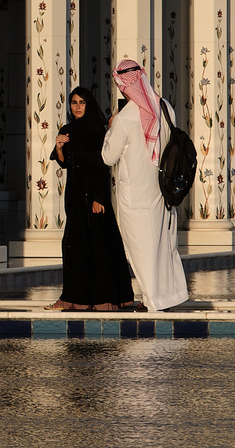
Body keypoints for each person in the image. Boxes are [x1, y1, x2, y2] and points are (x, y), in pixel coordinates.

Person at [101, 59, 189, 312]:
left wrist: (109, 130)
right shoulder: (165, 107)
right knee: (163, 244)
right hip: (162, 190)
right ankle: (170, 296)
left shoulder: (125, 118)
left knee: (141, 248)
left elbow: (108, 157)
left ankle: (152, 301)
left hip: (135, 195)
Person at [49, 86, 133, 311]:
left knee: (99, 244)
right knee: (74, 246)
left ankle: (106, 298)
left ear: (89, 104)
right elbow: (65, 162)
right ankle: (76, 298)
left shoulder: (98, 130)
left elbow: (102, 166)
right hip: (75, 196)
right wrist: (58, 148)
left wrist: (99, 198)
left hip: (94, 194)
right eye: (74, 103)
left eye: (82, 103)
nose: (77, 107)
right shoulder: (68, 129)